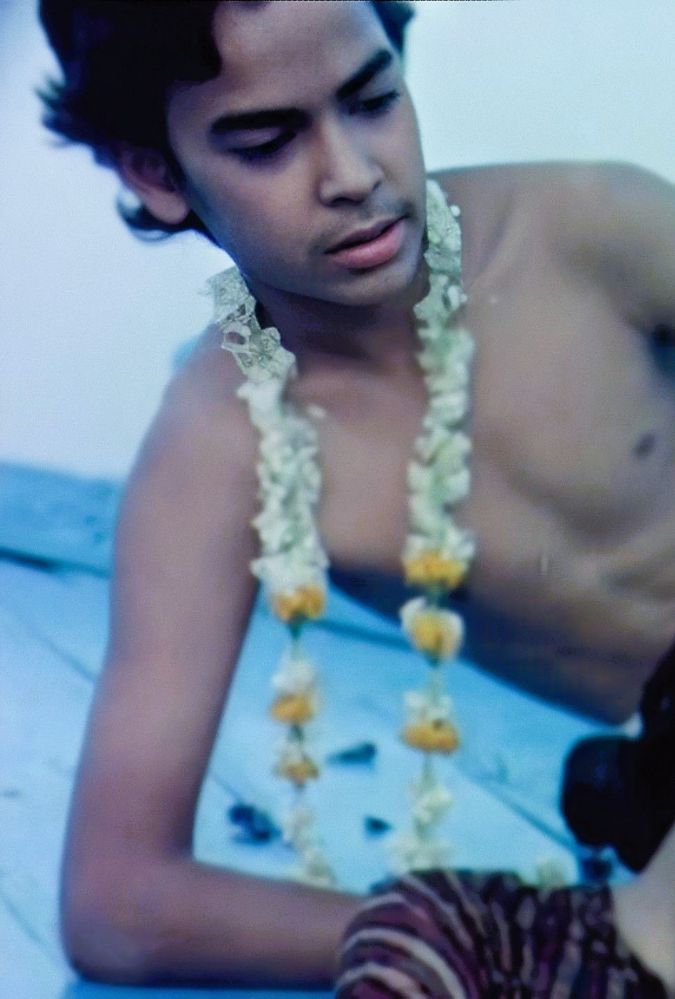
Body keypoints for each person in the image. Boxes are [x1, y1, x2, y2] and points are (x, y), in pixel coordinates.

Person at [38, 0, 675, 992]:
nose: (353, 175)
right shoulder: (226, 445)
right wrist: (533, 928)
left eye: (373, 99)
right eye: (267, 140)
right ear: (155, 171)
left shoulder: (597, 234)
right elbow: (116, 904)